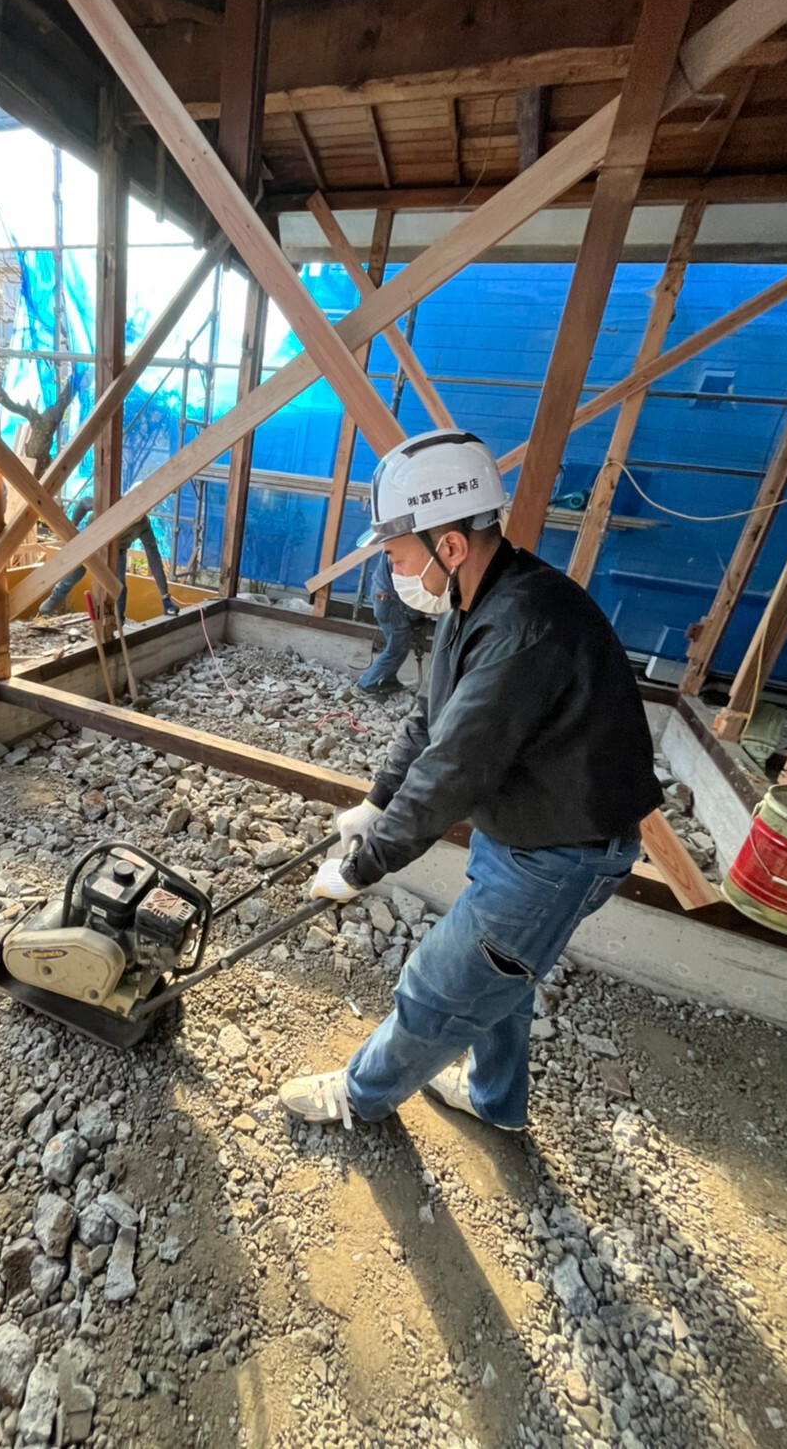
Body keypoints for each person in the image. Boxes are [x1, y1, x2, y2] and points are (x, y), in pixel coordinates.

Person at [278, 429, 662, 1133]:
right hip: (528, 828)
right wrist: (376, 800)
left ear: (448, 544)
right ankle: (496, 1103)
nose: (391, 567)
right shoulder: (475, 599)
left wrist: (362, 868)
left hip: (561, 852)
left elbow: (453, 767)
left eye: (395, 552)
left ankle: (361, 1098)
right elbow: (431, 720)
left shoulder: (523, 628)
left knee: (440, 987)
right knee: (503, 979)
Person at [37, 498, 180, 621]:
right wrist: (71, 532)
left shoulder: (143, 524)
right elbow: (84, 502)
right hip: (92, 541)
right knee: (75, 574)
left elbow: (153, 557)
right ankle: (50, 605)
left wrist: (165, 596)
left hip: (118, 551)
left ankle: (118, 622)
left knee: (119, 587)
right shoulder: (113, 502)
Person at [357, 551, 429, 697]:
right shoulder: (411, 551)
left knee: (397, 644)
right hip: (389, 601)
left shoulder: (398, 543)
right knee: (396, 649)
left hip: (382, 593)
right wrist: (415, 616)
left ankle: (389, 680)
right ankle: (367, 684)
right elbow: (409, 589)